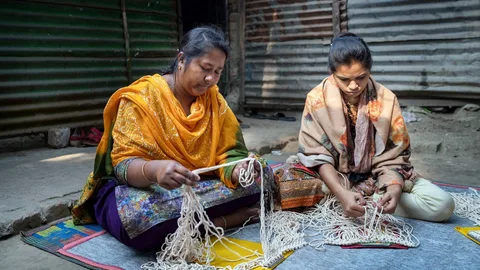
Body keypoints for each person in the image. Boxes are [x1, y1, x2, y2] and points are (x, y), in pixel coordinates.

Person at [71, 26, 268, 252]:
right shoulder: (143, 98)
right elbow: (122, 166)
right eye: (205, 68)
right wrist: (155, 171)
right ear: (181, 59)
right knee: (137, 220)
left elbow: (230, 153)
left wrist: (237, 170)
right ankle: (223, 221)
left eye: (218, 72)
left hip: (194, 187)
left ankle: (192, 225)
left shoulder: (214, 101)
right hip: (141, 189)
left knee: (261, 177)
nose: (210, 79)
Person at [296, 32, 454, 221]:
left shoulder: (386, 99)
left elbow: (395, 157)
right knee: (286, 192)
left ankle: (363, 203)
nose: (353, 86)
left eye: (361, 77)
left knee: (443, 205)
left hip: (378, 178)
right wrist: (341, 193)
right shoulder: (316, 99)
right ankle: (352, 201)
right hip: (332, 180)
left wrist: (394, 191)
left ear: (370, 70)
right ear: (333, 73)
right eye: (344, 79)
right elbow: (317, 156)